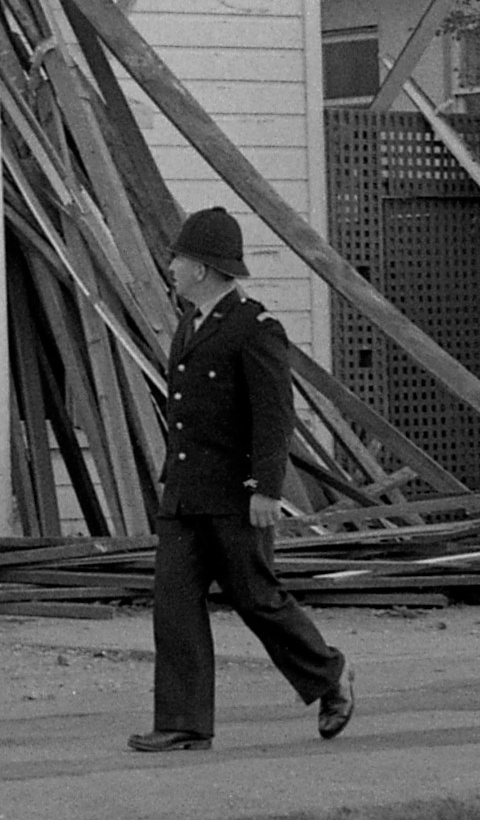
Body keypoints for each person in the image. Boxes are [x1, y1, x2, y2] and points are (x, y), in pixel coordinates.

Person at [126, 205, 356, 754]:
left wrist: (267, 491)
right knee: (174, 605)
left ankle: (329, 677)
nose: (172, 266)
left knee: (256, 597)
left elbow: (273, 417)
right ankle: (183, 722)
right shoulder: (190, 324)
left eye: (178, 258)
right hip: (185, 493)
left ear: (202, 268)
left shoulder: (254, 328)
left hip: (234, 496)